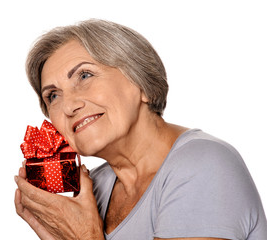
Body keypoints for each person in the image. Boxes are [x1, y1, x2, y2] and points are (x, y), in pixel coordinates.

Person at [14, 19, 267, 240]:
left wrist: (83, 236)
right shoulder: (95, 187)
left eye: (84, 76)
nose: (68, 106)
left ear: (141, 83)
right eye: (53, 96)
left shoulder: (204, 164)